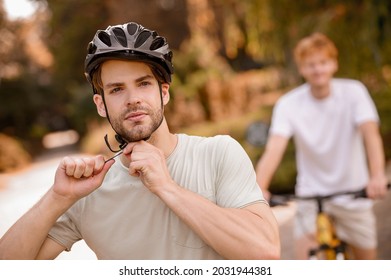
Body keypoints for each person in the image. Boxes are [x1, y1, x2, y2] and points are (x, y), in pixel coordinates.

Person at [0, 22, 280, 260]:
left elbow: (266, 252)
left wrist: (167, 188)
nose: (133, 98)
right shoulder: (88, 190)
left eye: (144, 83)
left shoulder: (218, 154)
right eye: (117, 89)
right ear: (101, 104)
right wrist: (56, 198)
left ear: (165, 92)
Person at [255, 32, 388, 260]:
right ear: (301, 69)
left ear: (334, 64)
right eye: (310, 65)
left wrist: (377, 176)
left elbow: (371, 135)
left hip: (354, 195)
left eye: (323, 63)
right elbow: (274, 149)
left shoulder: (354, 92)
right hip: (310, 196)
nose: (318, 69)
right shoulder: (288, 104)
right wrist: (258, 189)